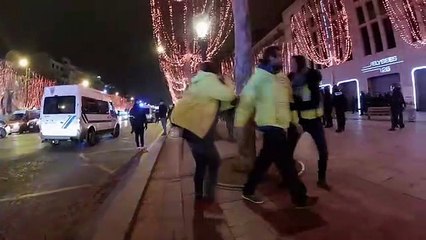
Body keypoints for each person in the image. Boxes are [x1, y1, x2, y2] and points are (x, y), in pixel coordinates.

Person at [236, 46, 317, 208]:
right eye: (278, 56)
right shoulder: (258, 78)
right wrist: (239, 124)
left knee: (264, 161)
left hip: (281, 125)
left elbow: (289, 103)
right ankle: (299, 198)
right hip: (269, 125)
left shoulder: (282, 79)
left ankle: (248, 190)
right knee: (286, 163)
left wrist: (295, 121)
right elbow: (246, 103)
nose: (282, 59)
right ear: (270, 58)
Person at [171, 61, 235, 201]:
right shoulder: (209, 81)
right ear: (215, 72)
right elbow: (229, 96)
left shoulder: (198, 82)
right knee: (214, 161)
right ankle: (209, 195)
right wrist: (229, 82)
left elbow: (218, 104)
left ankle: (200, 194)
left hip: (192, 129)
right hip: (199, 130)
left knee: (201, 162)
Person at [289, 55, 331, 191]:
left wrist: (295, 106)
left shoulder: (312, 79)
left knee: (323, 151)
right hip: (298, 121)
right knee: (288, 149)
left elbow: (313, 102)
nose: (291, 67)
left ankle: (322, 179)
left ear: (300, 65)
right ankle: (287, 177)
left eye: (293, 64)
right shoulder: (291, 79)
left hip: (314, 121)